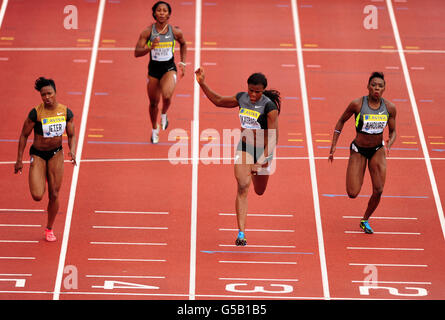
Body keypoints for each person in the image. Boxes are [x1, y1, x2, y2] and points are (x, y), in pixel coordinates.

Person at [195, 67, 280, 246]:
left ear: (263, 90)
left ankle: (259, 171)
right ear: (247, 87)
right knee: (242, 186)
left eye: (257, 92)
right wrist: (203, 84)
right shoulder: (241, 98)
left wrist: (262, 161)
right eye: (251, 90)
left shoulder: (269, 108)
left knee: (259, 191)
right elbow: (218, 100)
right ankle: (241, 233)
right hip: (245, 146)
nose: (253, 94)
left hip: (264, 150)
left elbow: (274, 138)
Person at [329, 72, 397, 234]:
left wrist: (390, 142)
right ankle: (357, 173)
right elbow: (340, 121)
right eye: (374, 85)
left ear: (384, 89)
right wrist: (333, 146)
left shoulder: (390, 108)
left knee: (379, 190)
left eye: (380, 86)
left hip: (377, 150)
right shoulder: (357, 104)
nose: (376, 88)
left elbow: (393, 131)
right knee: (352, 193)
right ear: (368, 86)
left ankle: (365, 219)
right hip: (358, 150)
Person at [14, 77, 77, 242]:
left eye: (49, 93)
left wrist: (73, 151)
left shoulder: (65, 112)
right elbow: (23, 135)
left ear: (55, 93)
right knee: (37, 195)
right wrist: (19, 159)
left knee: (54, 194)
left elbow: (71, 135)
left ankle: (49, 228)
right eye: (43, 95)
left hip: (56, 153)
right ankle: (42, 174)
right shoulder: (36, 113)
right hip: (38, 154)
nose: (47, 97)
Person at [134, 1, 187, 144]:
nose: (162, 13)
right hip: (153, 71)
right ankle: (154, 128)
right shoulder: (147, 32)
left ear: (169, 14)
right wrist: (150, 48)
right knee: (153, 103)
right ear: (154, 13)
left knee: (167, 95)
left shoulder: (175, 31)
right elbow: (136, 53)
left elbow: (183, 43)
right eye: (159, 10)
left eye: (165, 11)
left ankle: (164, 115)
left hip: (169, 68)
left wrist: (182, 62)